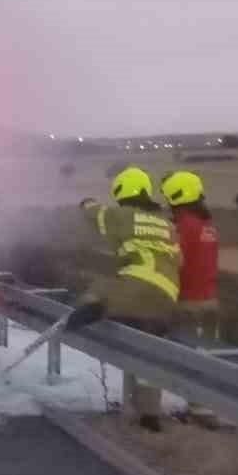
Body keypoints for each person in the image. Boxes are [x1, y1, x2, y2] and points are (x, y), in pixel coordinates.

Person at [74, 166, 180, 432]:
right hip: (167, 294)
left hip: (136, 285)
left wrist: (86, 202)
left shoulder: (120, 214)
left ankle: (90, 312)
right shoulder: (167, 223)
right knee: (147, 352)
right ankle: (149, 415)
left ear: (121, 191)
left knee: (97, 289)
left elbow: (94, 214)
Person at [161, 169, 221, 429]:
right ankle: (205, 407)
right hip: (210, 301)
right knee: (207, 358)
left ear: (177, 196)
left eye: (169, 199)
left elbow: (176, 260)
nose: (166, 204)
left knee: (187, 359)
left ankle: (200, 412)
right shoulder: (208, 225)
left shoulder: (185, 225)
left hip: (187, 302)